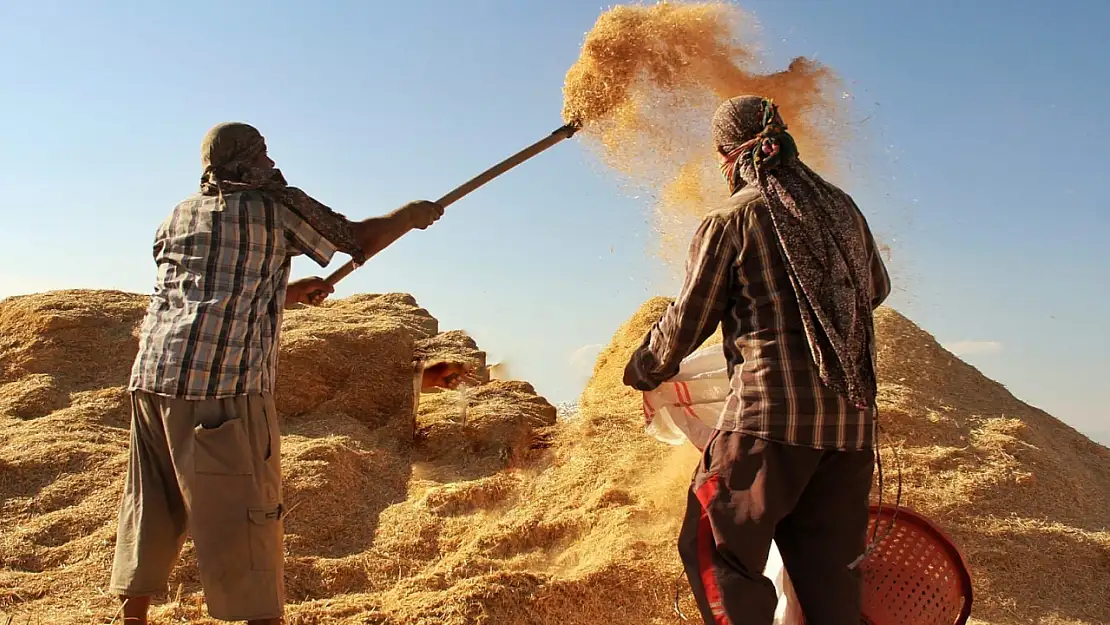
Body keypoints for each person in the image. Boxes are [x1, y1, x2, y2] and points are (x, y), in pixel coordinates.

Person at [111, 122, 448, 625]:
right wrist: (411, 216)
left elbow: (204, 289)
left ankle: (132, 614)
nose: (269, 160)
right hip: (222, 385)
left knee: (152, 498)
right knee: (246, 510)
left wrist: (285, 294)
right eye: (262, 152)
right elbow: (357, 240)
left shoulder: (179, 215)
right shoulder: (275, 206)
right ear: (250, 157)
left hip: (153, 379)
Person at [623, 96, 891, 625]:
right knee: (830, 580)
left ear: (731, 155)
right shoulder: (842, 208)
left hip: (769, 424)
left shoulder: (733, 217)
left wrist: (644, 367)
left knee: (715, 546)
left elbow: (690, 318)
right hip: (850, 430)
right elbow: (876, 289)